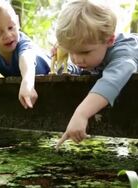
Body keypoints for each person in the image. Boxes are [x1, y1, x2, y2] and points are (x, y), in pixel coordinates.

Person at [55, 0, 138, 149]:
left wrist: (81, 114)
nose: (77, 59)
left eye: (84, 52)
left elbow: (112, 79)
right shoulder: (93, 53)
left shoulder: (124, 53)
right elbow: (79, 69)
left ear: (110, 40)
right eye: (71, 51)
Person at [0, 0, 51, 109]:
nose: (8, 35)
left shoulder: (23, 43)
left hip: (58, 69)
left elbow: (27, 60)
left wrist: (27, 82)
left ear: (17, 22)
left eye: (11, 27)